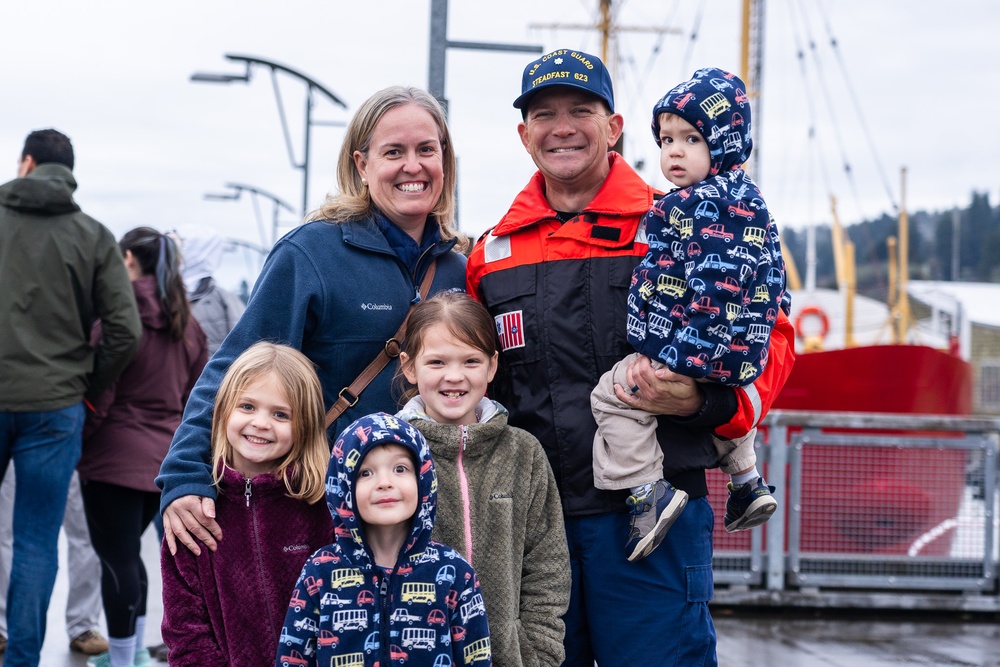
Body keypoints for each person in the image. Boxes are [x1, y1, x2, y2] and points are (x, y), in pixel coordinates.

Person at [465, 49, 796, 666]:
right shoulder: (491, 252)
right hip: (535, 529)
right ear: (524, 134)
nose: (562, 126)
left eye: (581, 110)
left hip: (656, 522)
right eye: (544, 114)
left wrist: (710, 401)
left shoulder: (679, 221)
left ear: (613, 127)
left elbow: (772, 339)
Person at [156, 86, 468, 559]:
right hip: (321, 513)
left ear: (445, 160)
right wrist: (184, 473)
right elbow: (234, 368)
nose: (413, 165)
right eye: (393, 152)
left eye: (427, 149)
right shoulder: (311, 254)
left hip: (426, 519)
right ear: (362, 165)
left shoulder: (459, 269)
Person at [590, 66, 792, 562]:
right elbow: (770, 285)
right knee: (719, 402)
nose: (673, 151)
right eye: (666, 139)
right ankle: (746, 480)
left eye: (691, 138)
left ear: (724, 144)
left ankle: (645, 490)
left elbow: (707, 285)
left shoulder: (693, 207)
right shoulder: (751, 205)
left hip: (686, 341)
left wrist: (682, 347)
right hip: (737, 350)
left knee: (614, 395)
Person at [0, 128, 141, 667]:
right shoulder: (93, 236)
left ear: (27, 163)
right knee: (37, 541)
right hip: (54, 407)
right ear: (70, 172)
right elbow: (125, 331)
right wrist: (88, 384)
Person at [396, 291, 570, 667]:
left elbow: (547, 564)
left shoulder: (523, 452)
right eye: (437, 361)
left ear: (492, 367)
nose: (454, 376)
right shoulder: (390, 451)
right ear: (410, 367)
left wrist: (537, 651)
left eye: (471, 361)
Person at [77, 227, 208, 667]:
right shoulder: (186, 322)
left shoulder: (119, 314)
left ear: (128, 258)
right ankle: (132, 654)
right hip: (162, 462)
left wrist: (81, 440)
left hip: (112, 457)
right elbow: (198, 394)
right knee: (133, 561)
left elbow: (102, 390)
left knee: (117, 562)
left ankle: (119, 660)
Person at [160, 342, 333, 667]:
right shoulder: (193, 515)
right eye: (248, 407)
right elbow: (185, 632)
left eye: (280, 414)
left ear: (305, 425)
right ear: (224, 411)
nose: (261, 423)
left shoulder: (323, 506)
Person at [278, 412, 491, 666]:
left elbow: (477, 660)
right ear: (343, 486)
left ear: (423, 478)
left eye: (400, 468)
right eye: (365, 473)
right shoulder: (320, 570)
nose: (384, 483)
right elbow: (292, 658)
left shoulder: (455, 573)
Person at [0, 470, 108, 657]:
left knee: (89, 533)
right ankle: (1, 627)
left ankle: (83, 625)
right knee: (4, 531)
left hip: (78, 446)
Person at [174, 225, 247, 357]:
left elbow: (243, 345)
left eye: (179, 245)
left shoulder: (223, 300)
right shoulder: (161, 294)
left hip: (208, 375)